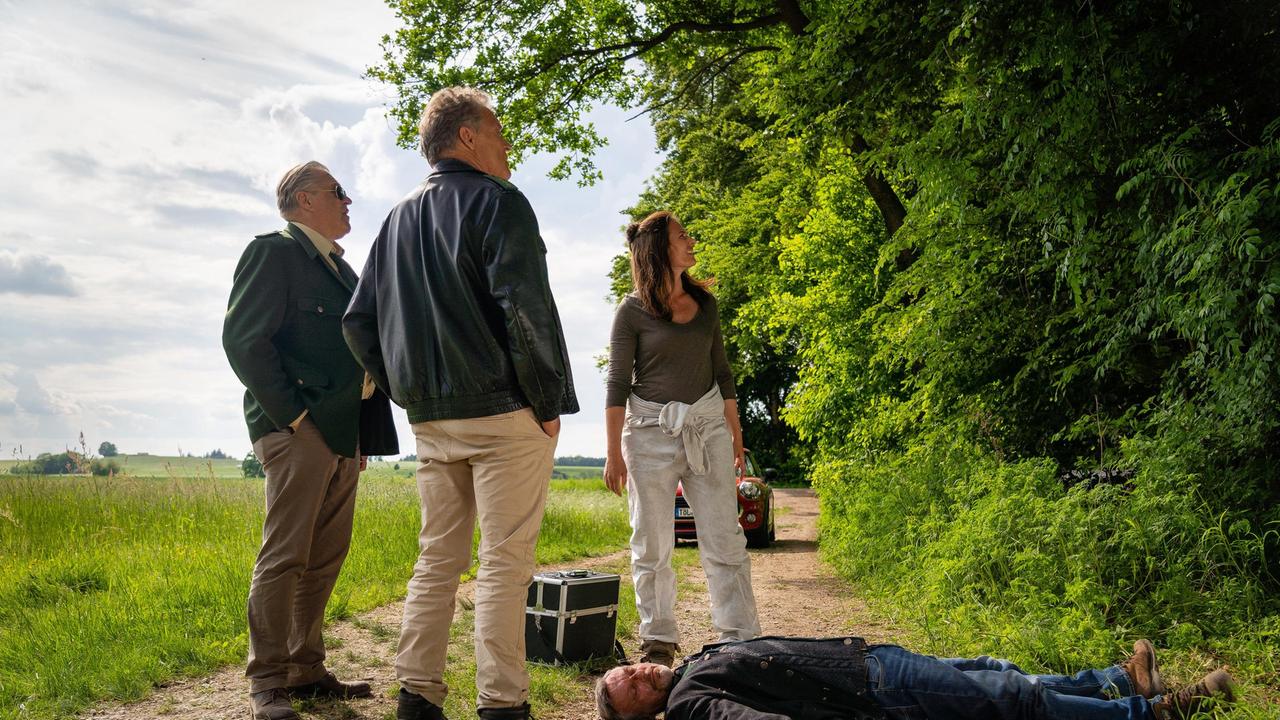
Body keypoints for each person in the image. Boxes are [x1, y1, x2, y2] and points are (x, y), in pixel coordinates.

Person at [343, 87, 578, 720]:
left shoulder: (395, 219)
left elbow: (359, 323)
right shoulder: (501, 203)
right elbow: (525, 311)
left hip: (432, 419)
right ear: (467, 137)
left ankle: (417, 696)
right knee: (504, 564)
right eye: (499, 133)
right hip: (505, 412)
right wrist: (549, 400)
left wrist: (408, 392)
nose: (508, 147)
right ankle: (503, 705)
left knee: (437, 558)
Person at [223, 161, 399, 720]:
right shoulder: (273, 252)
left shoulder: (340, 271)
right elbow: (244, 341)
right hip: (299, 431)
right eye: (337, 192)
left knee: (325, 555)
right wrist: (295, 418)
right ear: (303, 200)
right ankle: (267, 684)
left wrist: (356, 430)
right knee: (285, 556)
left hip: (344, 434)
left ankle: (305, 669)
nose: (349, 201)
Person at [603, 211, 761, 666]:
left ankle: (740, 637)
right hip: (649, 434)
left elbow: (722, 371)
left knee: (725, 538)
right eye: (682, 237)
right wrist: (614, 453)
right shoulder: (631, 311)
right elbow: (617, 382)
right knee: (651, 543)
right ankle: (658, 639)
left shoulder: (705, 304)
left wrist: (735, 430)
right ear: (660, 250)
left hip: (707, 426)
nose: (691, 241)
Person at [594, 636, 1236, 720]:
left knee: (996, 672)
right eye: (637, 688)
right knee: (1010, 699)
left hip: (867, 659)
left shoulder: (688, 669)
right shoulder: (690, 707)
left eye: (631, 668)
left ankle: (1117, 681)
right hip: (873, 687)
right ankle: (1155, 712)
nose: (643, 673)